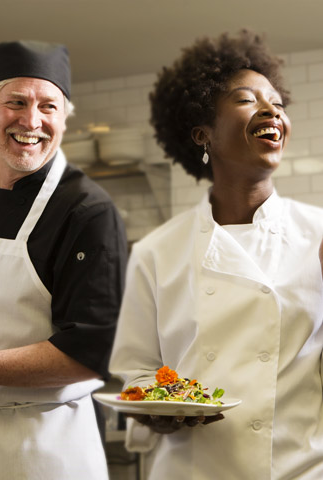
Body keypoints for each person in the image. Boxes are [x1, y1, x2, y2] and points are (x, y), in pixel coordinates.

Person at [109, 30, 323, 479]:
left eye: (278, 104)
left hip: (298, 468)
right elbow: (136, 372)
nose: (271, 111)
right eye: (247, 99)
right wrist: (155, 407)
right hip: (193, 469)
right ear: (202, 132)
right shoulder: (157, 252)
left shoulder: (318, 235)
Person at [0, 40, 127, 479]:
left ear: (65, 116)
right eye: (16, 102)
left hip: (45, 446)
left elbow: (90, 352)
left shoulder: (88, 212)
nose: (32, 121)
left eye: (48, 106)